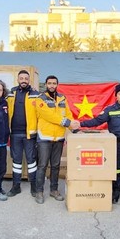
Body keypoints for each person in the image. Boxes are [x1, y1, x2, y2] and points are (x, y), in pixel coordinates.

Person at [73, 83, 120, 203]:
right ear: (116, 96)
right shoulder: (110, 109)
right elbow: (97, 121)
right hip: (116, 144)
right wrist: (81, 124)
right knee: (116, 170)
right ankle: (116, 191)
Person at [34, 75, 73, 204]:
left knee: (55, 165)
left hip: (59, 138)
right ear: (45, 84)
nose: (51, 85)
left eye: (54, 83)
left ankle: (54, 190)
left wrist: (73, 126)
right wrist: (65, 122)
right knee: (42, 165)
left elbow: (68, 113)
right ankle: (39, 191)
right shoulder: (40, 99)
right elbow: (49, 115)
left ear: (57, 84)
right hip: (45, 137)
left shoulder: (62, 98)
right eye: (49, 83)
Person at [6, 70, 40, 197]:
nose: (24, 80)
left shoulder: (36, 94)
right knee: (16, 161)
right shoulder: (10, 94)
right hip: (14, 134)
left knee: (31, 161)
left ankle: (34, 187)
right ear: (18, 79)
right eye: (21, 78)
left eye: (26, 78)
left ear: (29, 80)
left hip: (30, 135)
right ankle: (16, 186)